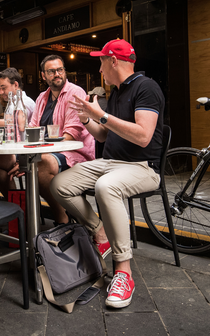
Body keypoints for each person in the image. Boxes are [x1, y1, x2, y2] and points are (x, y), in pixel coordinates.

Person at [51, 39, 164, 309]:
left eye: (101, 61)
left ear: (113, 61)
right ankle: (100, 233)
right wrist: (87, 118)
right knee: (60, 183)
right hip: (110, 162)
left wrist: (101, 115)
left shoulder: (146, 88)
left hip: (142, 166)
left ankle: (123, 271)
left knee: (105, 187)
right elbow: (103, 135)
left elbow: (143, 136)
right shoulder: (116, 93)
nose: (100, 68)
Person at [0, 55, 95, 225]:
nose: (57, 74)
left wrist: (32, 158)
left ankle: (62, 218)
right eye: (51, 71)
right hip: (44, 152)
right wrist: (25, 158)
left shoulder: (75, 92)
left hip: (73, 153)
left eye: (60, 70)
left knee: (41, 164)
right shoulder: (42, 98)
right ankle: (20, 215)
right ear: (43, 76)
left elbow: (70, 135)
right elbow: (32, 130)